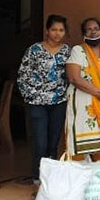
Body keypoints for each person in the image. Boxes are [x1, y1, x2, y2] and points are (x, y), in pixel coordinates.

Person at [18, 14, 69, 178]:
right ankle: (37, 179)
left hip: (59, 102)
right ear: (47, 31)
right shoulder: (34, 50)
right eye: (54, 29)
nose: (57, 33)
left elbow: (74, 75)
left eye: (61, 30)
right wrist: (31, 97)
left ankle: (50, 179)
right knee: (40, 142)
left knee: (53, 143)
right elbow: (22, 76)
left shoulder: (68, 51)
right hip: (37, 103)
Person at [64, 17, 100, 158]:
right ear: (84, 33)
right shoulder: (78, 51)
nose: (93, 32)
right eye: (89, 29)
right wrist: (98, 93)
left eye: (96, 29)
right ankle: (78, 176)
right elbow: (74, 78)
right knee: (80, 142)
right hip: (84, 104)